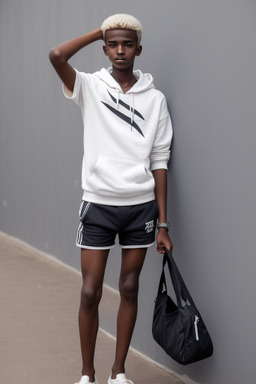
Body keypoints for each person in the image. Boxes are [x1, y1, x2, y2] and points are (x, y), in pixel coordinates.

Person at [49, 13, 173, 384]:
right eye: (113, 44)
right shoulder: (89, 86)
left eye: (128, 44)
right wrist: (98, 30)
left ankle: (118, 373)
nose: (120, 50)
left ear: (139, 49)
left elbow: (160, 161)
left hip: (140, 208)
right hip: (99, 204)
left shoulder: (155, 100)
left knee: (130, 287)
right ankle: (87, 373)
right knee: (90, 291)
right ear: (104, 48)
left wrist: (163, 223)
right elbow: (56, 55)